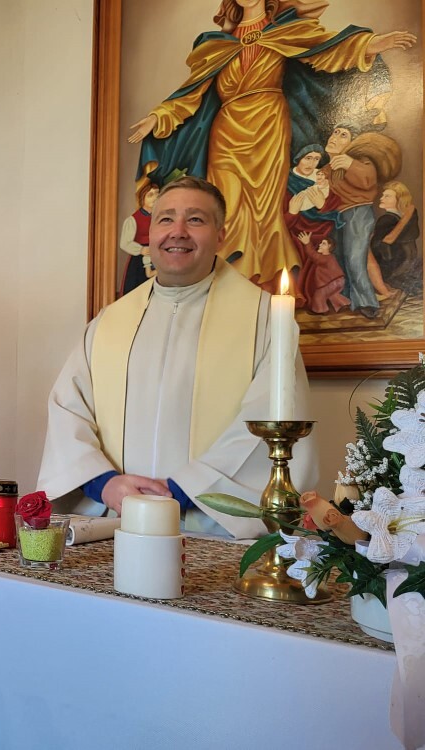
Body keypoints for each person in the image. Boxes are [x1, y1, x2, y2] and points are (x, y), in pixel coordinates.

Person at [38, 176, 317, 539]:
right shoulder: (109, 322)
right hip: (116, 522)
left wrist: (184, 489)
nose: (178, 231)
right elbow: (68, 411)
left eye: (196, 219)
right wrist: (104, 484)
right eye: (166, 219)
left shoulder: (264, 319)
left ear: (221, 235)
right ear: (150, 233)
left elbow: (273, 419)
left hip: (214, 528)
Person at [128, 0, 416, 291]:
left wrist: (372, 44)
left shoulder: (285, 30)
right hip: (227, 130)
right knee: (227, 202)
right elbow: (191, 93)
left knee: (265, 209)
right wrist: (158, 117)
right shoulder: (216, 44)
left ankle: (262, 284)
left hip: (268, 125)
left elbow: (329, 49)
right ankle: (225, 284)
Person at [322, 123, 403, 317]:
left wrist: (349, 164)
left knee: (354, 258)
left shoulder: (360, 162)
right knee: (340, 257)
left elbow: (368, 181)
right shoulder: (325, 170)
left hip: (357, 213)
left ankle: (366, 302)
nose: (335, 137)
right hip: (336, 217)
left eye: (343, 135)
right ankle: (348, 298)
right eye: (335, 132)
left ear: (353, 143)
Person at [119, 165, 160, 295]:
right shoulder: (133, 220)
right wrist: (142, 250)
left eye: (157, 194)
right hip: (140, 261)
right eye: (151, 195)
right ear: (142, 198)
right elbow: (125, 243)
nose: (155, 197)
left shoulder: (161, 218)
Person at [372, 180, 420, 286]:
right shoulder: (407, 216)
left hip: (389, 267)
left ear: (399, 199)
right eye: (383, 195)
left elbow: (377, 247)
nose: (381, 198)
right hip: (406, 264)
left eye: (387, 196)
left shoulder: (386, 219)